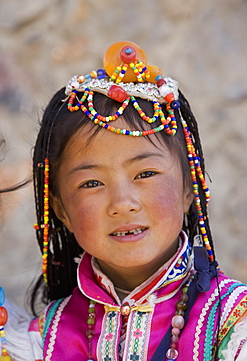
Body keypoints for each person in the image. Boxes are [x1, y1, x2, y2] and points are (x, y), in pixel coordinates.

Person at [3, 41, 247, 361]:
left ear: (190, 187)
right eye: (92, 183)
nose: (123, 203)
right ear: (61, 209)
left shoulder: (231, 323)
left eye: (145, 174)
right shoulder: (40, 340)